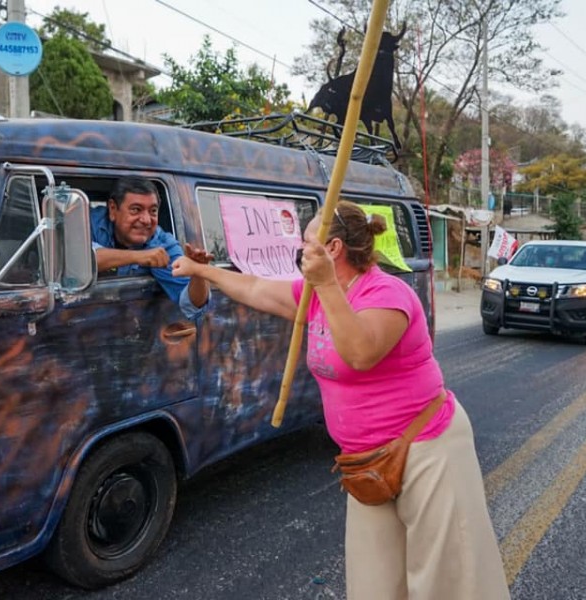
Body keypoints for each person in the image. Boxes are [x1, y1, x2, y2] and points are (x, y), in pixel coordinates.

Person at [171, 201, 510, 600]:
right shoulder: (314, 294)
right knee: (374, 586)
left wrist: (327, 285)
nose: (299, 250)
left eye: (306, 242)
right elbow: (256, 288)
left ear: (332, 249)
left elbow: (360, 352)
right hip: (365, 461)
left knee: (449, 583)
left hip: (427, 449)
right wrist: (201, 272)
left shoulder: (387, 293)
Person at [91, 176, 211, 320]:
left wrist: (199, 273)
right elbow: (77, 258)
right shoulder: (87, 221)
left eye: (153, 211)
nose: (146, 220)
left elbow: (192, 305)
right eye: (136, 210)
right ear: (113, 209)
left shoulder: (163, 244)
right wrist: (140, 257)